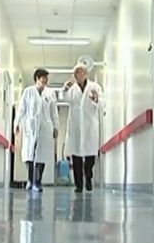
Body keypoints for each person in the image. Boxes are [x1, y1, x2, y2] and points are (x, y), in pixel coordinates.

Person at [14, 68, 59, 192]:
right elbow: (21, 109)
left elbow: (54, 112)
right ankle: (30, 180)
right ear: (37, 79)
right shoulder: (28, 91)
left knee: (42, 155)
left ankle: (37, 182)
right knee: (29, 155)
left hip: (45, 127)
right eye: (43, 78)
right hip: (30, 126)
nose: (45, 80)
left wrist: (56, 127)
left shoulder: (50, 93)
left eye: (46, 78)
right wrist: (17, 123)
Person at [62, 63, 104, 193]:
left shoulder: (95, 87)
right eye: (75, 73)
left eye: (80, 72)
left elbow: (103, 103)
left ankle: (89, 178)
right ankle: (79, 184)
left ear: (86, 74)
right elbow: (65, 98)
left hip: (89, 123)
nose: (77, 75)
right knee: (76, 156)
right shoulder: (72, 88)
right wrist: (65, 89)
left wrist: (96, 99)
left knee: (90, 155)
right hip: (75, 124)